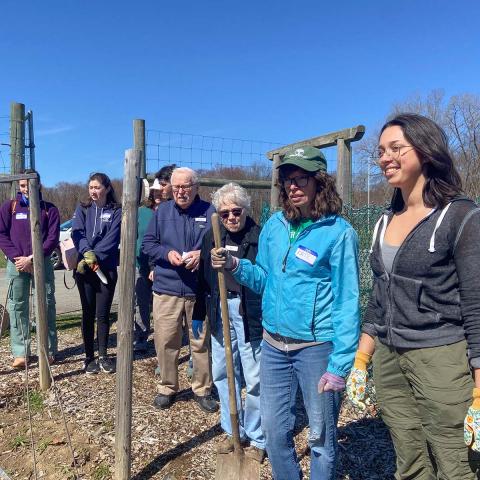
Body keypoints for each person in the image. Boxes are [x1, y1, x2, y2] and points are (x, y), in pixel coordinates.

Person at [212, 147, 360, 480]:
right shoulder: (275, 227)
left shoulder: (338, 233)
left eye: (301, 179)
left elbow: (347, 302)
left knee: (321, 437)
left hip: (316, 349)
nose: (293, 187)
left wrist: (340, 365)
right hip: (273, 346)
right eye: (287, 181)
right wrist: (236, 265)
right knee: (275, 433)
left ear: (320, 182)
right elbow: (264, 278)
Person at [346, 113, 480, 479]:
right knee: (408, 457)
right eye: (380, 151)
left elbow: (476, 304)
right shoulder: (385, 220)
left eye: (395, 148)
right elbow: (380, 296)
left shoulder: (460, 216)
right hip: (389, 357)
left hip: (441, 357)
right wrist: (362, 359)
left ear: (425, 151)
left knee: (456, 462)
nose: (384, 158)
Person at [195, 183, 266, 462]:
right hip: (220, 309)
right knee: (223, 372)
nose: (231, 218)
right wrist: (200, 313)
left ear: (246, 211)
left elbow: (263, 279)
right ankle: (232, 430)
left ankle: (258, 437)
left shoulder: (259, 237)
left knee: (255, 377)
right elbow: (202, 280)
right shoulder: (212, 237)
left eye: (236, 211)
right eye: (224, 213)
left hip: (250, 313)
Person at [142, 167, 218, 413]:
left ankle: (202, 388)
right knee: (166, 341)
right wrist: (167, 254)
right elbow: (148, 244)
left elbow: (221, 242)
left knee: (200, 342)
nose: (180, 192)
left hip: (199, 290)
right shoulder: (162, 211)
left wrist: (202, 254)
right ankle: (167, 386)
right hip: (167, 289)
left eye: (185, 187)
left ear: (196, 187)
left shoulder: (209, 212)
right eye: (176, 187)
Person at [0, 169, 60, 368]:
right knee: (18, 307)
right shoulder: (10, 207)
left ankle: (48, 350)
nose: (26, 188)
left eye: (30, 184)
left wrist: (33, 259)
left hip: (41, 263)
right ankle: (21, 352)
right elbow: (2, 234)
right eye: (23, 185)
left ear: (39, 185)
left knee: (46, 305)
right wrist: (18, 258)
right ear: (19, 186)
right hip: (16, 264)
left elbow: (52, 238)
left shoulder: (49, 209)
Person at [72, 173, 121, 375]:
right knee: (88, 313)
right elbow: (77, 232)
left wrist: (96, 256)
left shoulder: (116, 211)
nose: (93, 191)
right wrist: (86, 254)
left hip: (106, 269)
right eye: (91, 187)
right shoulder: (83, 209)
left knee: (102, 314)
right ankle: (89, 357)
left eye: (97, 187)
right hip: (85, 269)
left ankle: (103, 356)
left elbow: (113, 237)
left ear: (107, 188)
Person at [134, 164, 176, 353]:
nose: (158, 194)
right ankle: (141, 337)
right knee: (140, 302)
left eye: (162, 190)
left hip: (164, 265)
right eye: (155, 191)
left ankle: (166, 341)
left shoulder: (170, 212)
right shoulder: (142, 213)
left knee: (162, 308)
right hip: (141, 264)